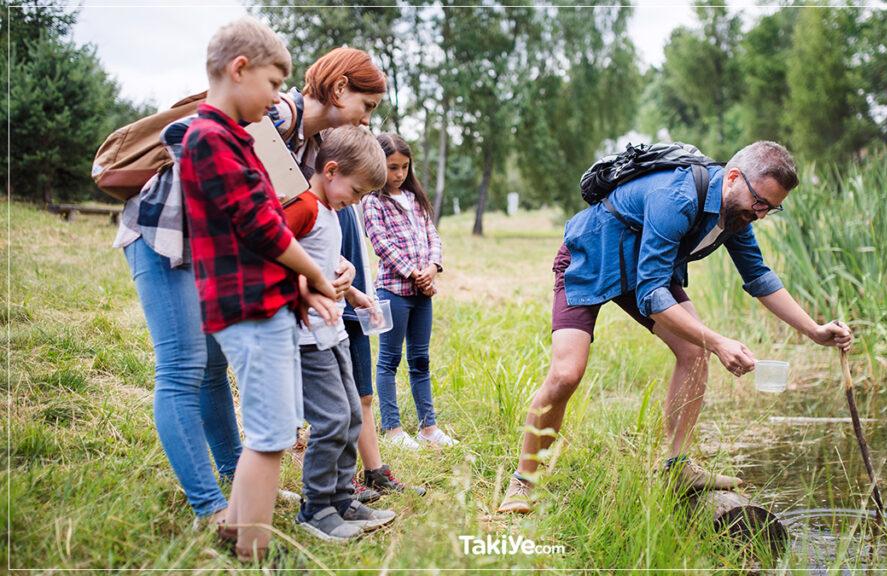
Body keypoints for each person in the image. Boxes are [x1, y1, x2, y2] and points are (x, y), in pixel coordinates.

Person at [497, 141, 853, 514]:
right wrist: (718, 341)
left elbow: (759, 276)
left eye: (772, 208)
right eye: (760, 202)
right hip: (591, 256)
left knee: (692, 351)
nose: (762, 214)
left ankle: (677, 466)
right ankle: (523, 481)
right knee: (567, 373)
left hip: (645, 269)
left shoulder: (736, 216)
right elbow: (653, 295)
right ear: (733, 178)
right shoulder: (677, 197)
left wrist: (814, 330)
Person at [178, 17, 338, 560]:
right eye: (273, 84)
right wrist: (314, 273)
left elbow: (260, 228)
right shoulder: (210, 138)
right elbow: (262, 226)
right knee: (270, 438)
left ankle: (239, 529)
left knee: (270, 430)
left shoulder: (233, 137)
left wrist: (298, 288)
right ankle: (255, 551)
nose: (277, 98)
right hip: (246, 310)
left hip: (264, 304)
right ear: (239, 68)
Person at [270, 47, 424, 495]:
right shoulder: (279, 121)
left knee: (353, 390)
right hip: (303, 311)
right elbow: (273, 229)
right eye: (368, 108)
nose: (368, 122)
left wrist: (342, 274)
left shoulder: (323, 149)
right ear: (340, 89)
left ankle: (362, 476)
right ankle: (325, 495)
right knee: (330, 407)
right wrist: (309, 276)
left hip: (333, 298)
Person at [282, 126, 397, 542]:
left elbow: (327, 264)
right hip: (305, 337)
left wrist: (359, 294)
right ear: (331, 170)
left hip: (333, 333)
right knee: (331, 420)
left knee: (350, 414)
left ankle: (342, 497)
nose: (358, 201)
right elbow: (274, 254)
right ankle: (315, 508)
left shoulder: (330, 211)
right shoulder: (303, 207)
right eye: (358, 191)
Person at [362, 133, 455, 449]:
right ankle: (392, 429)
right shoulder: (373, 202)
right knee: (389, 359)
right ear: (378, 165)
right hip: (393, 291)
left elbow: (433, 237)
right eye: (392, 167)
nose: (399, 174)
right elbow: (381, 244)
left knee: (421, 359)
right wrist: (412, 272)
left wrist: (432, 268)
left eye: (404, 167)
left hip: (422, 294)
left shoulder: (415, 200)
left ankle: (429, 428)